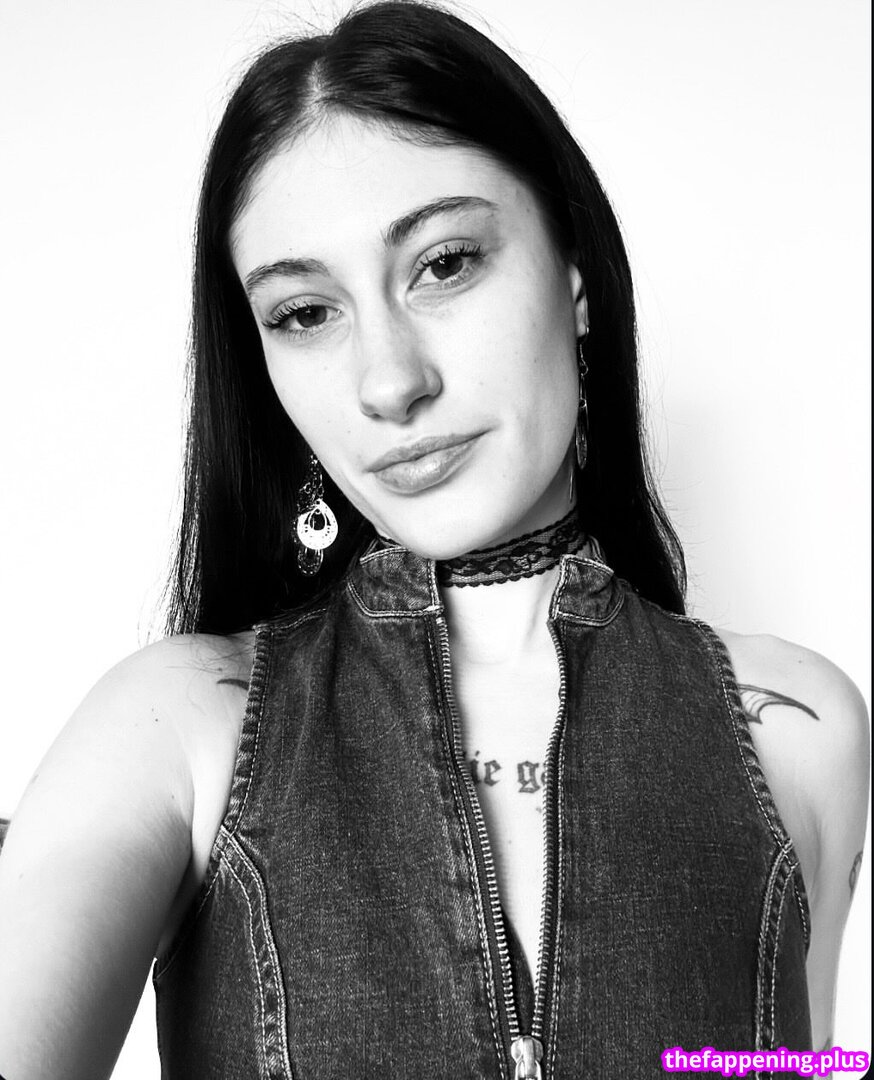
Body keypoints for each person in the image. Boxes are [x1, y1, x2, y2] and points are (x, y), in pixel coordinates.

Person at [0, 2, 868, 1077]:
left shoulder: (799, 729)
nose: (390, 381)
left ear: (574, 276)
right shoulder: (173, 730)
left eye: (446, 263)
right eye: (305, 313)